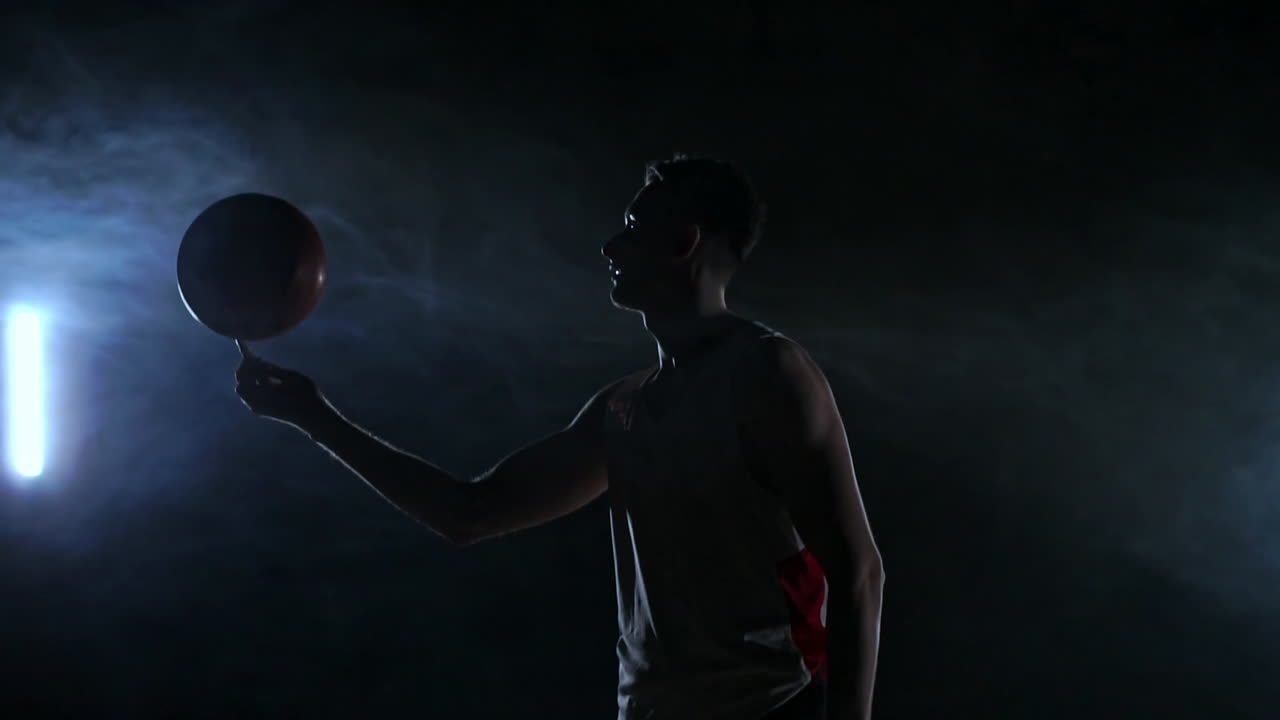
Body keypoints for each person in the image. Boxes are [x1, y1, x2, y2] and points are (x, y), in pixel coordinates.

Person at [234, 154, 884, 719]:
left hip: (769, 712)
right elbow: (471, 514)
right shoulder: (624, 409)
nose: (608, 246)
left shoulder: (767, 373)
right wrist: (314, 417)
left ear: (684, 240)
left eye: (631, 228)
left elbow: (857, 572)